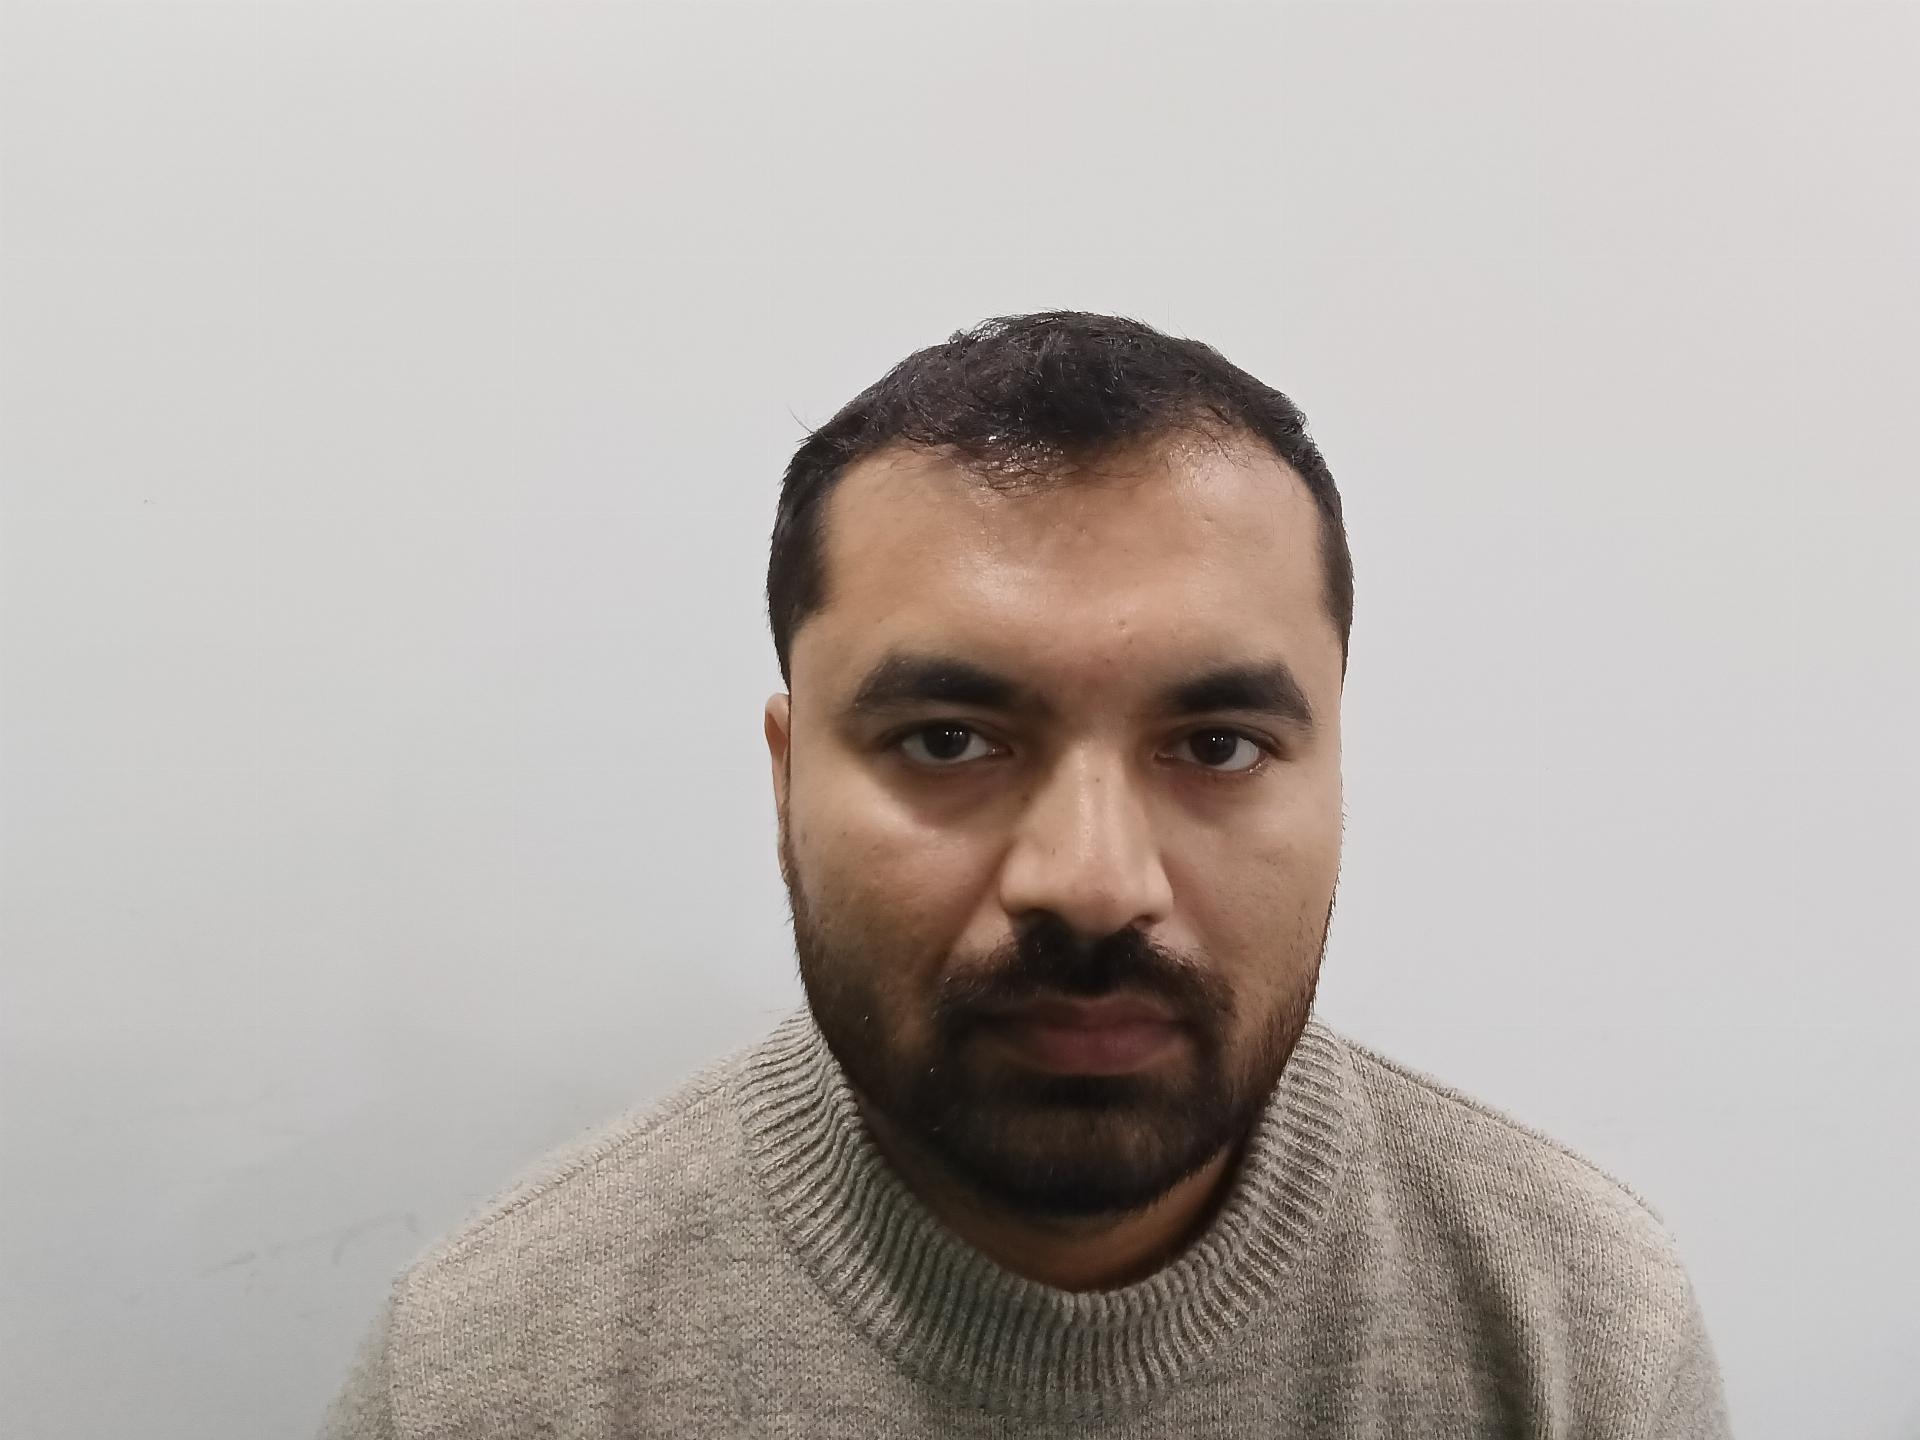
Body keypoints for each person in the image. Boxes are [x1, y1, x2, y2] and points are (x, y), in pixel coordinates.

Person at [319, 312, 1732, 1437]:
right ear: (787, 780)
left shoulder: (1574, 1338)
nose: (1094, 883)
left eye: (1218, 746)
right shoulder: (489, 1376)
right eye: (949, 740)